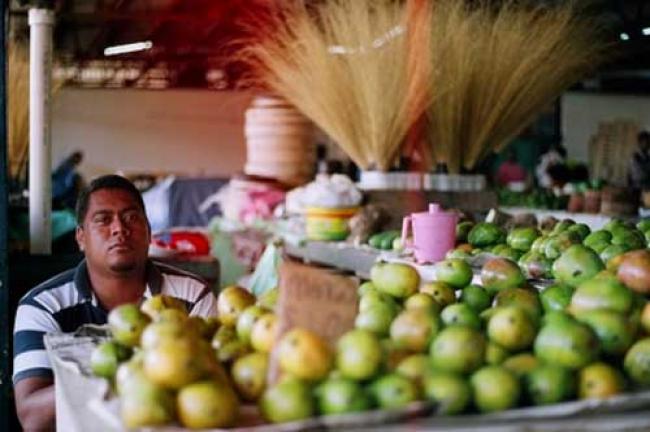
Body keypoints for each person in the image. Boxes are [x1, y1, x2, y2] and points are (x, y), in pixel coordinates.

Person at [13, 175, 219, 430]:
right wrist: (125, 375)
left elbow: (213, 386)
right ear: (80, 237)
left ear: (149, 232)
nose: (120, 228)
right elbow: (32, 417)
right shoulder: (43, 306)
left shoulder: (192, 296)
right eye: (103, 220)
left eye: (131, 217)